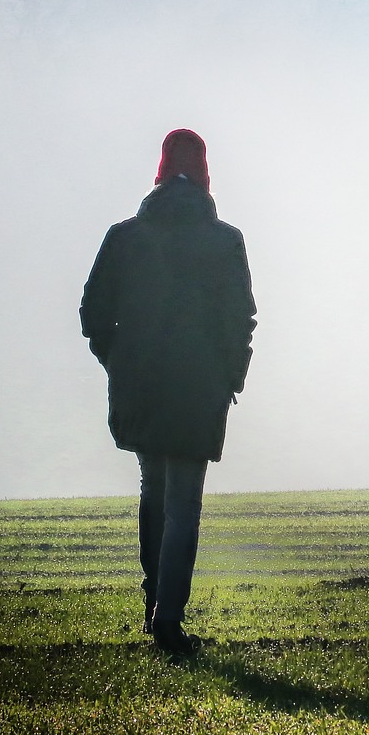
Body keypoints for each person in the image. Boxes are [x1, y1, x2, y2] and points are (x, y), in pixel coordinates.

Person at [80, 129, 256, 654]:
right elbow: (240, 319)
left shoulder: (124, 237)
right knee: (184, 502)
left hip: (140, 384)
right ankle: (168, 620)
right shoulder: (225, 240)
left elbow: (93, 314)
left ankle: (152, 605)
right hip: (199, 389)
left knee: (153, 491)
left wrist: (119, 362)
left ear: (159, 172)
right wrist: (231, 375)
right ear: (204, 174)